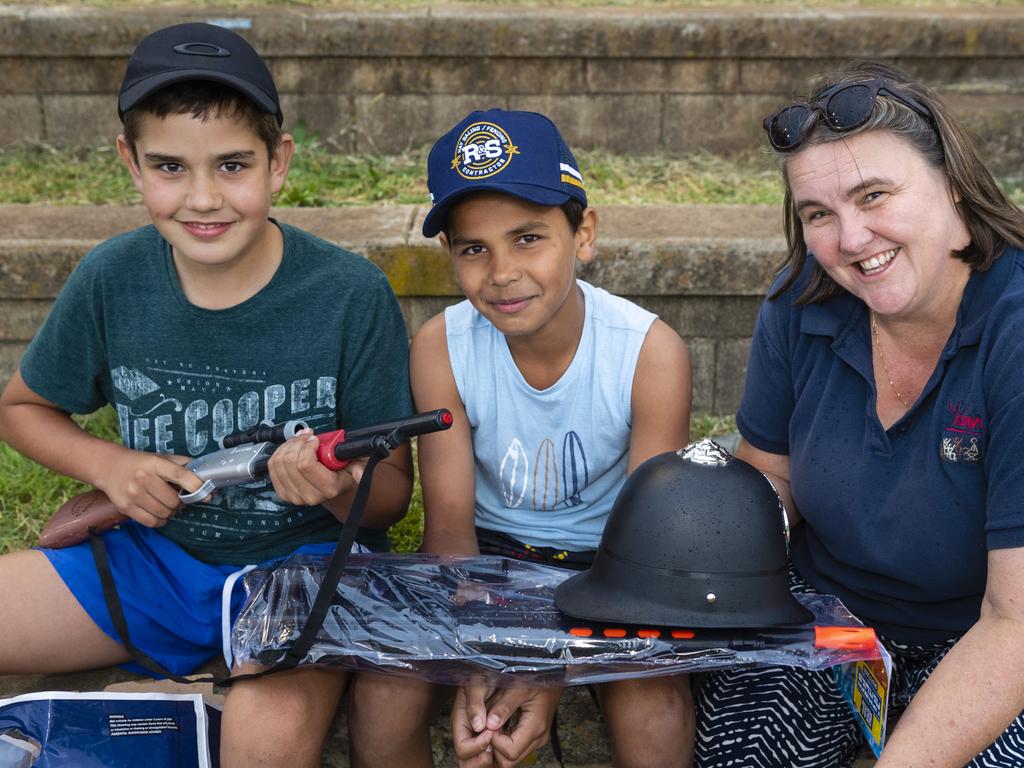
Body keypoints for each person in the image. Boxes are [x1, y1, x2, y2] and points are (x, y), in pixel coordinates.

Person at [0, 23, 413, 768]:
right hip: (148, 564)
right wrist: (111, 466)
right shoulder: (113, 277)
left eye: (231, 165)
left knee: (263, 745)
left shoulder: (352, 295)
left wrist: (333, 487)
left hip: (301, 576)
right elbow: (22, 409)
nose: (201, 198)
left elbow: (388, 503)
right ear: (130, 163)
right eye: (169, 166)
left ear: (278, 162)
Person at [694, 60, 1024, 767]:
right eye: (819, 214)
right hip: (833, 620)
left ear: (957, 192)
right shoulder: (800, 300)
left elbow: (1015, 625)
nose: (850, 240)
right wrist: (711, 548)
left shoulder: (1015, 330)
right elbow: (770, 473)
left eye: (873, 195)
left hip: (985, 633)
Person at [349, 108, 695, 768]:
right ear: (450, 254)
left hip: (611, 564)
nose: (501, 271)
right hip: (489, 562)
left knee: (654, 705)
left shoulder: (650, 354)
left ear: (583, 233)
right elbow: (449, 534)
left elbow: (648, 546)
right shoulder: (440, 349)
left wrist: (551, 664)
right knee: (384, 692)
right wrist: (479, 644)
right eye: (474, 248)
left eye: (528, 237)